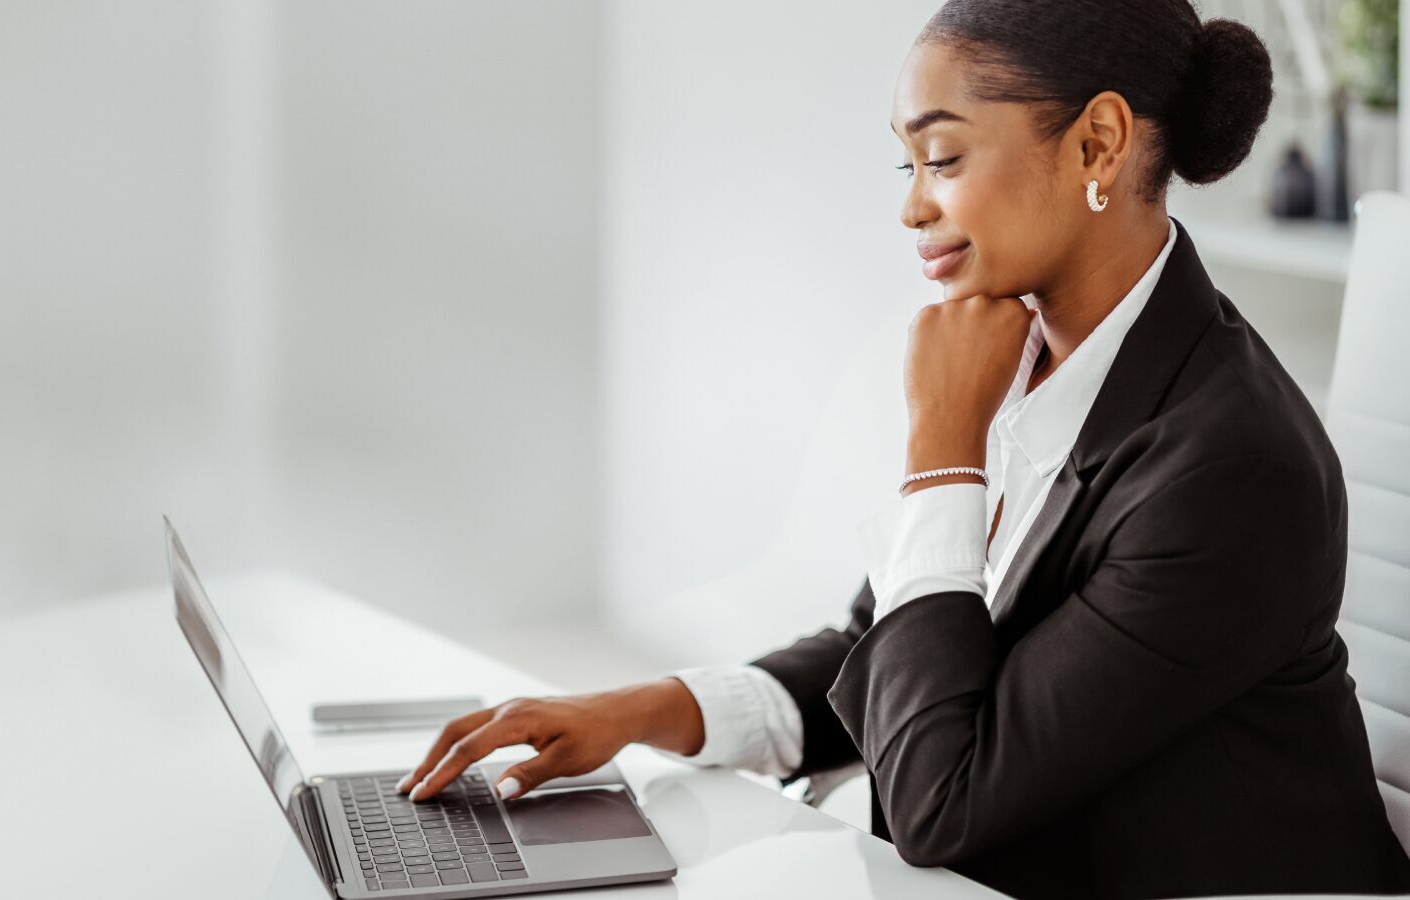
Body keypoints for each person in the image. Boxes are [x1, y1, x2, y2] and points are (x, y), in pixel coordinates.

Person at [396, 1, 1410, 896]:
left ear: (1098, 143)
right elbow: (901, 654)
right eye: (907, 160)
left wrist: (941, 449)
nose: (911, 204)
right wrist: (642, 711)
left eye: (945, 156)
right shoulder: (1017, 347)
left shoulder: (1229, 467)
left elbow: (940, 798)